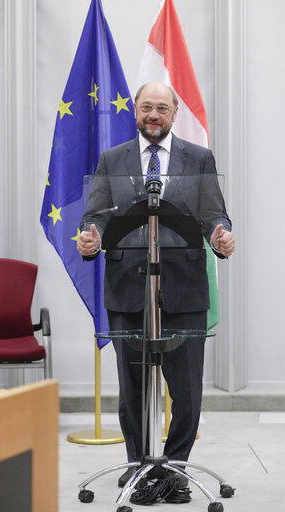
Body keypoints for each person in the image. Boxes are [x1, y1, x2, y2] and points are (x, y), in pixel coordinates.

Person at [77, 82, 235, 489]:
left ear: (175, 112)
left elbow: (214, 213)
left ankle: (175, 469)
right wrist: (90, 236)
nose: (153, 115)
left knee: (186, 391)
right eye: (146, 107)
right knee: (132, 392)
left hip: (183, 289)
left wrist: (220, 233)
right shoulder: (113, 160)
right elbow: (95, 216)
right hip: (128, 289)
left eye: (162, 108)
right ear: (135, 111)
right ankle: (139, 467)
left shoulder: (198, 159)